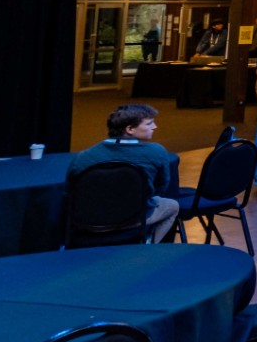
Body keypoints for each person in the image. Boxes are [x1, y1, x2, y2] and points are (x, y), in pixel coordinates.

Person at [68, 104, 179, 242]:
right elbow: (162, 186)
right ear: (130, 129)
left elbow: (72, 189)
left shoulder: (83, 157)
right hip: (134, 217)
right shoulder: (156, 152)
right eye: (149, 123)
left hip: (91, 220)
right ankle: (146, 246)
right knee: (173, 205)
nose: (155, 126)